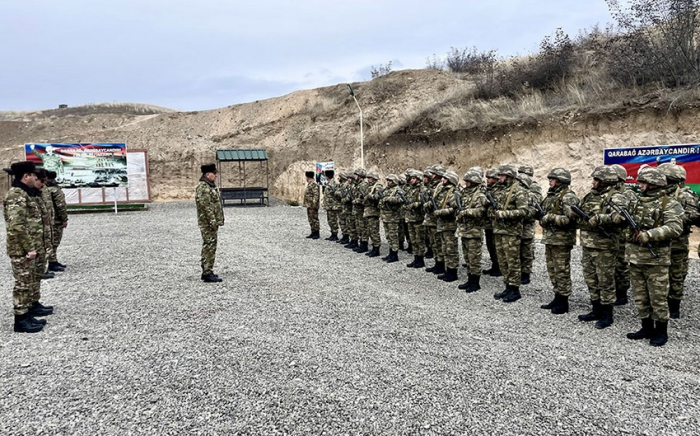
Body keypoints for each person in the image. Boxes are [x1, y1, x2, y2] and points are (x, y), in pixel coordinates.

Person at [624, 168, 683, 347]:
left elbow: (675, 227)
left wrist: (649, 235)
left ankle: (661, 331)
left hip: (656, 259)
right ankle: (646, 327)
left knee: (657, 297)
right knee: (640, 297)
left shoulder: (670, 204)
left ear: (653, 184)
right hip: (635, 258)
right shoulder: (636, 202)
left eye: (642, 182)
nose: (639, 185)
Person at [573, 166, 628, 329]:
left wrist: (600, 219)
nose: (593, 182)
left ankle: (607, 314)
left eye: (597, 179)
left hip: (605, 247)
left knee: (605, 280)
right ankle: (595, 309)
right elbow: (579, 211)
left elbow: (621, 217)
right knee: (591, 279)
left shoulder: (616, 197)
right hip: (588, 244)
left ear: (606, 181)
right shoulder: (590, 195)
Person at [4, 161, 53, 333]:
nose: (35, 178)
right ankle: (21, 320)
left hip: (29, 247)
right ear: (26, 176)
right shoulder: (16, 195)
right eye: (33, 175)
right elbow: (17, 225)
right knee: (23, 284)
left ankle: (28, 312)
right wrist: (29, 248)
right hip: (22, 250)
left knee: (30, 280)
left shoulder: (25, 193)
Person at [658, 163, 698, 319]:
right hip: (660, 240)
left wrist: (672, 220)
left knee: (676, 274)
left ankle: (674, 305)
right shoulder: (659, 194)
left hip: (677, 242)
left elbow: (693, 215)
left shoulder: (685, 195)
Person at [539, 168, 579, 314]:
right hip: (550, 239)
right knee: (552, 270)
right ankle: (557, 296)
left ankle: (563, 301)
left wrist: (551, 218)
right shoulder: (551, 196)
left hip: (561, 241)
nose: (550, 181)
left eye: (553, 179)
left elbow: (572, 220)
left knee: (561, 270)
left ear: (561, 181)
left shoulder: (568, 197)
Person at [491, 164, 529, 302]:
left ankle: (515, 289)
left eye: (502, 175)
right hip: (499, 231)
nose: (499, 177)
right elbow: (493, 209)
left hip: (512, 232)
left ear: (509, 176)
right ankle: (507, 286)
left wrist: (503, 214)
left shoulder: (519, 191)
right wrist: (493, 213)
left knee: (512, 261)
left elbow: (524, 211)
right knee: (502, 261)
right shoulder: (500, 191)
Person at [456, 170, 488, 292]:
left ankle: (475, 283)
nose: (465, 183)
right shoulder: (465, 194)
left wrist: (465, 212)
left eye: (468, 181)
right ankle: (470, 280)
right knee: (467, 257)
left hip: (474, 231)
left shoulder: (479, 195)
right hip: (465, 230)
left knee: (474, 258)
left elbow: (481, 211)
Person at [611, 164, 636, 305]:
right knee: (611, 265)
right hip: (611, 236)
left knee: (621, 265)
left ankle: (622, 294)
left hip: (623, 237)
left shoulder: (628, 194)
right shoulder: (610, 193)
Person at [196, 164, 225, 282]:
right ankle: (207, 272)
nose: (216, 176)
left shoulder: (209, 186)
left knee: (210, 245)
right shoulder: (203, 187)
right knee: (209, 246)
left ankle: (207, 270)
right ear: (208, 174)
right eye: (214, 173)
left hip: (211, 222)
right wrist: (213, 221)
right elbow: (206, 206)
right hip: (208, 223)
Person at [516, 173, 542, 285]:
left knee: (527, 251)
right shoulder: (517, 193)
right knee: (517, 251)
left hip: (527, 227)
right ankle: (518, 273)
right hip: (517, 227)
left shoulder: (532, 192)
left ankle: (526, 274)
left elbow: (534, 209)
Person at [45, 170, 68, 271]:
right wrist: (64, 219)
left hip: (49, 219)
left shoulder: (44, 189)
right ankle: (52, 262)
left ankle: (53, 260)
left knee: (51, 241)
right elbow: (61, 205)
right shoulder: (55, 190)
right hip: (56, 220)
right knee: (54, 241)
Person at [379, 174, 405, 262]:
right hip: (385, 216)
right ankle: (390, 253)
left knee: (393, 236)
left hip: (393, 217)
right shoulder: (386, 189)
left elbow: (401, 200)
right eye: (388, 180)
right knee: (388, 236)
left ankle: (394, 254)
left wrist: (388, 199)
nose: (388, 182)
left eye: (390, 180)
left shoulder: (398, 190)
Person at [405, 170, 426, 268]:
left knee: (419, 240)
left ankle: (420, 260)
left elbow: (423, 202)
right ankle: (416, 258)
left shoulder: (422, 189)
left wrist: (413, 205)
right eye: (411, 178)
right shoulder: (410, 189)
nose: (411, 180)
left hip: (418, 218)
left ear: (418, 179)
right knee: (413, 240)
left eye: (414, 178)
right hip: (410, 218)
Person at [482, 168, 502, 277]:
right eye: (487, 177)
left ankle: (499, 267)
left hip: (495, 222)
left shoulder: (498, 189)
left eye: (490, 178)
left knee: (496, 246)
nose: (488, 180)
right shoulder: (487, 189)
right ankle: (494, 265)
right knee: (490, 245)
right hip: (488, 223)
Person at [363, 171, 384, 257]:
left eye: (370, 178)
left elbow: (378, 197)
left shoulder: (378, 186)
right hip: (368, 211)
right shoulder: (370, 186)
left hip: (373, 211)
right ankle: (374, 248)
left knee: (374, 231)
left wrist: (369, 196)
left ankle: (376, 248)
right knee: (370, 230)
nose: (368, 179)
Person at [322, 170, 342, 241]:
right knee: (330, 220)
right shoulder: (330, 183)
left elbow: (336, 194)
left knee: (333, 220)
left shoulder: (333, 183)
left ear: (327, 176)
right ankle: (333, 233)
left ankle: (335, 234)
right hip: (329, 205)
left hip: (332, 205)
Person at [303, 170, 320, 239]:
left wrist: (314, 204)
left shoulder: (314, 184)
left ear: (308, 177)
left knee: (315, 219)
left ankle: (316, 233)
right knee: (310, 219)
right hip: (309, 205)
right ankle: (313, 232)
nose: (306, 178)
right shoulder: (310, 184)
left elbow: (316, 195)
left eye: (306, 177)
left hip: (313, 205)